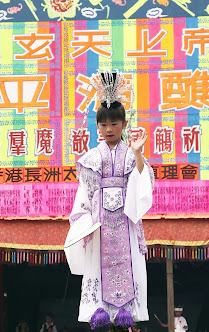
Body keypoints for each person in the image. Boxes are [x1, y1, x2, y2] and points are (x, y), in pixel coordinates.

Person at [64, 70, 154, 330]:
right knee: (97, 266)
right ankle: (99, 309)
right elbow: (85, 194)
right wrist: (82, 223)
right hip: (100, 225)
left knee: (127, 261)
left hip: (125, 223)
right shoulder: (91, 158)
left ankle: (126, 310)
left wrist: (137, 154)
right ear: (97, 127)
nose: (109, 129)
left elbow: (141, 184)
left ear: (124, 125)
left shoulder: (131, 154)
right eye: (103, 125)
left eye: (114, 124)